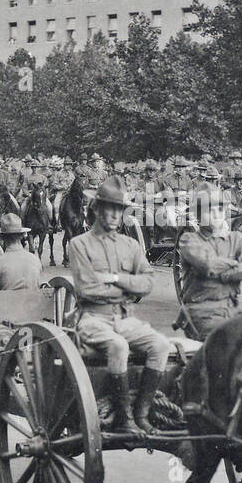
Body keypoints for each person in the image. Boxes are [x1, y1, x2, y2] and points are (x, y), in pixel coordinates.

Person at [68, 175, 173, 434]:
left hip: (125, 319)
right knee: (118, 346)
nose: (115, 215)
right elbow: (87, 289)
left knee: (160, 345)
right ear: (97, 209)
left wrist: (115, 279)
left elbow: (148, 282)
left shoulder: (131, 245)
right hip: (93, 320)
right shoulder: (79, 244)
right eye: (110, 208)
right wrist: (127, 288)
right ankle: (123, 419)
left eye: (119, 209)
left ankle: (142, 414)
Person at [176, 182, 242, 340]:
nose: (216, 214)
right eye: (210, 210)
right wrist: (237, 265)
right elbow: (208, 265)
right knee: (228, 342)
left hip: (232, 309)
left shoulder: (236, 239)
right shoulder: (189, 240)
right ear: (198, 214)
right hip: (201, 311)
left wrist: (225, 274)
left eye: (220, 209)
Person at [0, 213, 42, 290]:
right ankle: (52, 224)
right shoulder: (36, 260)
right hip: (33, 301)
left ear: (2, 237)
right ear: (23, 235)